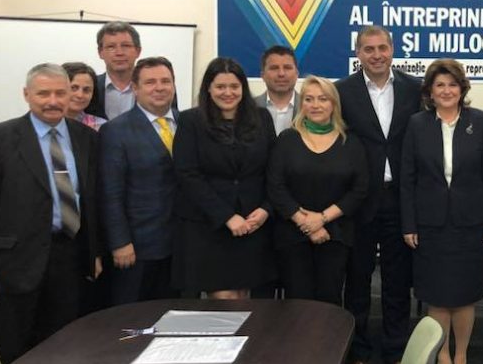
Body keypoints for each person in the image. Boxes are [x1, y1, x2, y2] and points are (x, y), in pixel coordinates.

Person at [401, 59, 483, 364]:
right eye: (439, 85)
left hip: (470, 223)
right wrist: (409, 222)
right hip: (430, 224)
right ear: (430, 91)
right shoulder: (417, 124)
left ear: (462, 89)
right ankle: (442, 357)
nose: (446, 91)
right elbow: (407, 179)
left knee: (465, 296)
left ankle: (461, 357)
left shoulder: (480, 122)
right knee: (437, 297)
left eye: (452, 84)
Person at [0, 63, 102, 364]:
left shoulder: (87, 138)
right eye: (43, 93)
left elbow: (92, 199)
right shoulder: (0, 139)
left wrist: (94, 251)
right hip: (15, 265)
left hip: (70, 259)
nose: (53, 101)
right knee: (15, 351)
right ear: (26, 94)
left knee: (64, 348)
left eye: (60, 93)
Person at [336, 26, 422, 364]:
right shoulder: (341, 91)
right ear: (358, 53)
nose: (376, 55)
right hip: (358, 198)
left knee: (397, 279)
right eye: (368, 49)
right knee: (357, 279)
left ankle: (396, 351)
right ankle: (357, 353)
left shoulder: (414, 89)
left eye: (382, 48)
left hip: (400, 197)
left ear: (392, 49)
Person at [171, 57, 276, 299]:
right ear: (208, 88)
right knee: (225, 300)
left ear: (243, 88)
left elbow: (273, 169)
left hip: (253, 224)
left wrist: (266, 209)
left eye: (234, 86)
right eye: (220, 86)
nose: (228, 93)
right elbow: (188, 174)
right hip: (208, 227)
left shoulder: (262, 118)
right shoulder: (191, 121)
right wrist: (226, 216)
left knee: (246, 298)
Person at [267, 75, 368, 304]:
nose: (315, 105)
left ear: (334, 104)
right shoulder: (287, 139)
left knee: (329, 301)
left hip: (336, 234)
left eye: (323, 99)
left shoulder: (350, 142)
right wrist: (305, 222)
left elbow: (359, 189)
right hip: (292, 235)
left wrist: (321, 219)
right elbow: (275, 186)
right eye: (309, 99)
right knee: (298, 303)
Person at [99, 57, 179, 305]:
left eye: (165, 81)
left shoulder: (190, 123)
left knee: (177, 315)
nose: (159, 87)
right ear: (135, 88)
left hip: (181, 247)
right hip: (136, 248)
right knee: (132, 318)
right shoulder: (116, 131)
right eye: (150, 82)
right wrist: (120, 242)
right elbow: (110, 193)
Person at [86, 21, 143, 121]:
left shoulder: (152, 87)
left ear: (138, 51)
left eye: (126, 46)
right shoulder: (89, 87)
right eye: (111, 47)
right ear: (100, 52)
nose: (119, 53)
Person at [255, 45, 300, 135]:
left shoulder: (310, 108)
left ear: (297, 74)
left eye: (287, 68)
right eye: (274, 68)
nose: (281, 74)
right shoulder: (248, 108)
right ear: (263, 75)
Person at [62, 62, 107, 131]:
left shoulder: (102, 127)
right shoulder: (46, 122)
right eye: (74, 88)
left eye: (86, 90)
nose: (80, 95)